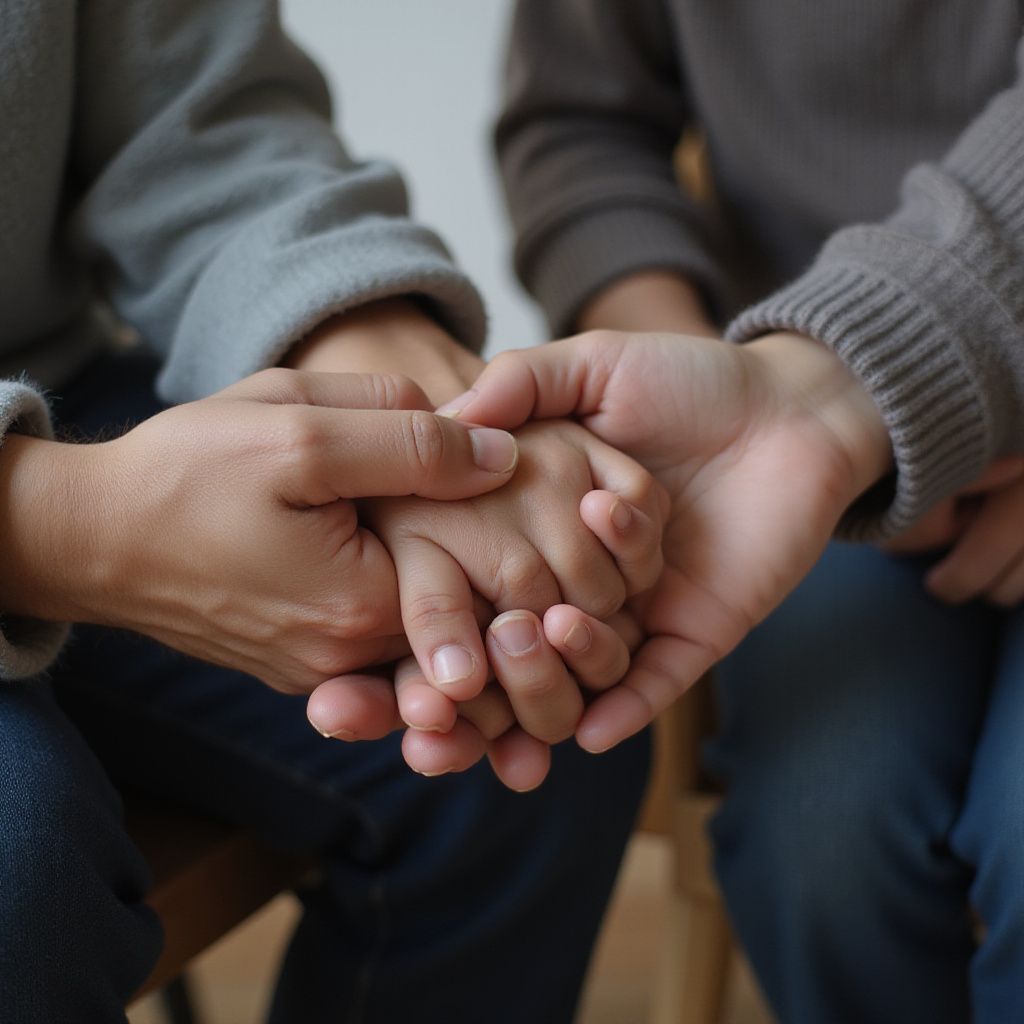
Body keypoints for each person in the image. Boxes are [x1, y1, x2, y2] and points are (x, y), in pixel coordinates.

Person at [0, 2, 660, 1020]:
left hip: (59, 384)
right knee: (20, 877)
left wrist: (381, 370)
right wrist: (57, 527)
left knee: (519, 717)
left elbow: (198, 128)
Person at [418, 3, 1024, 1022]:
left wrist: (819, 403)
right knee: (824, 842)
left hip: (817, 411)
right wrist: (718, 384)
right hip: (804, 455)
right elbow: (578, 128)